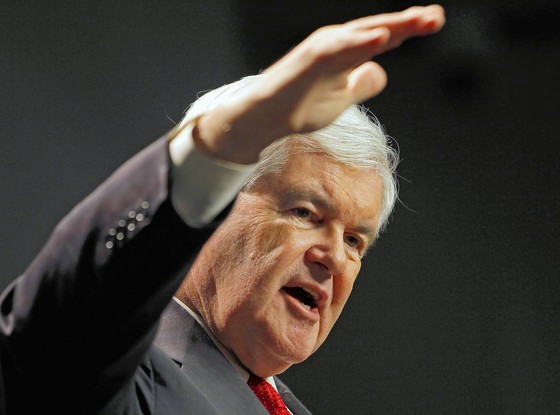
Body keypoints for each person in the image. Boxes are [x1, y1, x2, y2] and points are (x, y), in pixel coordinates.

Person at [0, 5, 445, 414]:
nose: (333, 258)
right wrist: (223, 144)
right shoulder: (115, 374)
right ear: (216, 207)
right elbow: (60, 323)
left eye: (354, 240)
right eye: (306, 214)